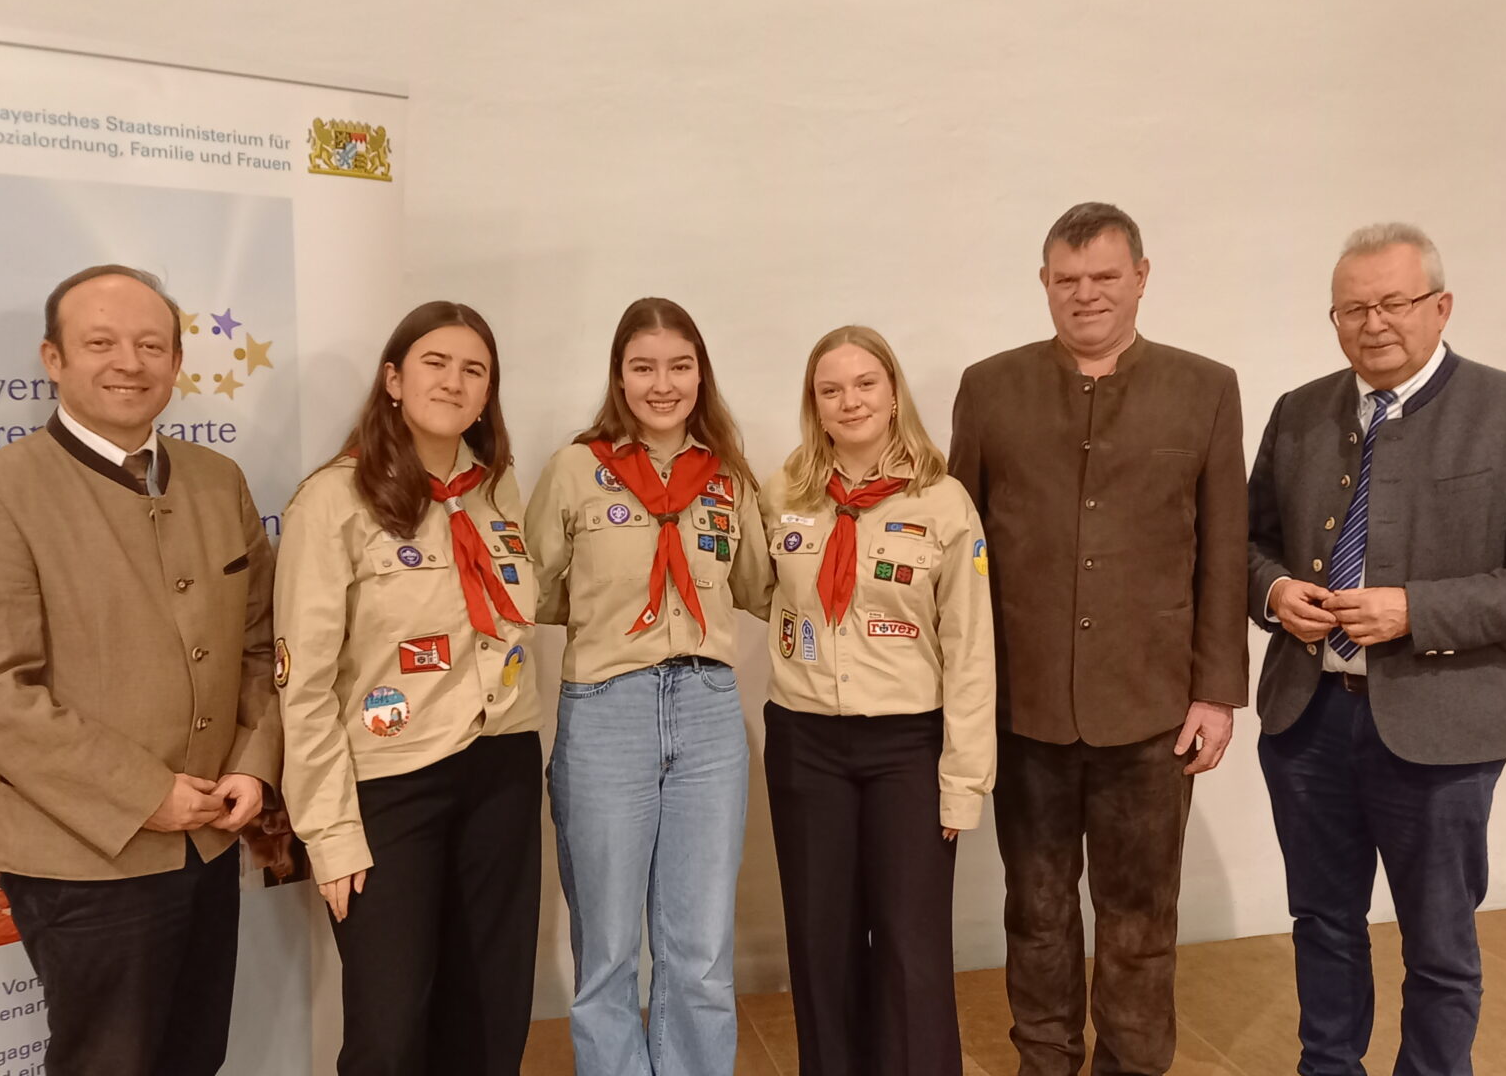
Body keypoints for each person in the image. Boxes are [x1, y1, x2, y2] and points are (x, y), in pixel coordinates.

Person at [1247, 223, 1506, 1076]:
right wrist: (1272, 591)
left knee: (1439, 945)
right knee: (1323, 925)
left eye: (1394, 302)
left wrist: (1417, 610)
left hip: (1446, 729)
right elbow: (1244, 543)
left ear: (1441, 307)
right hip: (1308, 721)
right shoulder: (1299, 411)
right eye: (1353, 307)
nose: (1374, 323)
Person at [0, 264, 279, 1075]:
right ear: (53, 359)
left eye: (151, 344)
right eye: (101, 342)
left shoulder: (217, 481)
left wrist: (253, 765)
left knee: (196, 1057)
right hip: (86, 859)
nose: (130, 361)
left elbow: (262, 646)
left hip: (210, 846)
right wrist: (142, 793)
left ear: (177, 363)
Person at [949, 202, 1249, 1076]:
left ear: (1142, 277)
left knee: (1141, 918)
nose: (1086, 295)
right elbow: (959, 548)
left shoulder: (1205, 388)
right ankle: (1044, 1065)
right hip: (1024, 705)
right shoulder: (990, 386)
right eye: (1067, 279)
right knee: (1035, 913)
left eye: (1105, 277)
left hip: (1153, 712)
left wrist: (1216, 692)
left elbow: (1223, 550)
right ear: (1045, 284)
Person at [275, 301, 543, 1074]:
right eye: (435, 362)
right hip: (390, 786)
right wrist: (328, 832)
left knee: (490, 1011)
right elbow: (306, 685)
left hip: (500, 767)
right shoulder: (333, 499)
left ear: (488, 393)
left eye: (474, 370)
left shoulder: (497, 492)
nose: (454, 382)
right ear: (393, 378)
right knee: (391, 1029)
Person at [526, 296, 774, 1075]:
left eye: (679, 366)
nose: (662, 384)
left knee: (699, 949)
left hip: (706, 715)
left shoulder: (729, 478)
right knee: (605, 947)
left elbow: (761, 584)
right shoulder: (576, 468)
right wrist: (608, 616)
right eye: (643, 368)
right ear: (619, 376)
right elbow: (528, 586)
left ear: (700, 373)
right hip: (608, 713)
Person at [760, 325, 994, 1076]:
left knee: (910, 947)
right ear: (814, 404)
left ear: (893, 392)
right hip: (805, 743)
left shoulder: (945, 502)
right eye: (831, 389)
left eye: (865, 383)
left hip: (907, 748)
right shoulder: (783, 493)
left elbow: (970, 652)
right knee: (820, 941)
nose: (850, 400)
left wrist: (963, 783)